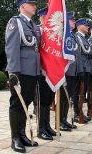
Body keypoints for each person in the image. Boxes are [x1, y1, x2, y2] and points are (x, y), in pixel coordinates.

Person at [5, 0, 40, 153]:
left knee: (26, 103)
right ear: (23, 7)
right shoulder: (15, 22)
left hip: (32, 70)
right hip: (20, 71)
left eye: (34, 4)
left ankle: (22, 134)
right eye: (31, 4)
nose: (35, 6)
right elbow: (11, 48)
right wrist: (13, 72)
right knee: (16, 104)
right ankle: (15, 139)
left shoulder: (32, 25)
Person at [36, 7, 57, 141]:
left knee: (49, 99)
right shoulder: (37, 30)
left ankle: (47, 125)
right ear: (43, 18)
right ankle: (40, 129)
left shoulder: (53, 32)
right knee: (41, 101)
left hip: (52, 70)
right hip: (41, 69)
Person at [60, 11, 78, 131]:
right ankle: (60, 121)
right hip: (64, 70)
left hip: (71, 70)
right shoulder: (63, 33)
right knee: (62, 97)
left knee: (67, 97)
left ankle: (64, 119)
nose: (74, 22)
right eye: (72, 20)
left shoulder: (71, 35)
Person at [73, 18, 92, 123]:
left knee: (82, 92)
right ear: (79, 26)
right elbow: (78, 55)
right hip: (80, 68)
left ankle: (80, 112)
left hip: (86, 68)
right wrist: (80, 69)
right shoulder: (77, 37)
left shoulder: (84, 38)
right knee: (77, 92)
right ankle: (77, 113)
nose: (87, 27)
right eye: (85, 25)